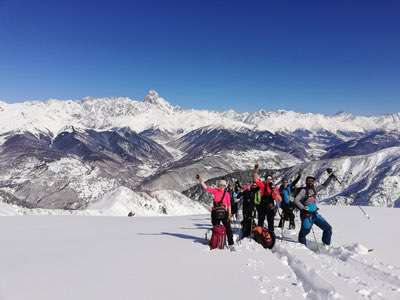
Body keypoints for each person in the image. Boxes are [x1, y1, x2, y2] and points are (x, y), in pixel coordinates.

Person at [294, 169, 335, 246]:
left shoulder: (314, 189)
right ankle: (302, 247)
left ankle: (325, 246)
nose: (310, 182)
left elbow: (324, 185)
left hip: (315, 214)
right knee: (304, 232)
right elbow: (296, 200)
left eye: (312, 181)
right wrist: (303, 208)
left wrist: (330, 177)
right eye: (309, 181)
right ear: (306, 182)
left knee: (328, 229)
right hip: (306, 215)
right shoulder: (303, 191)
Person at [196, 175, 235, 251]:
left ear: (225, 186)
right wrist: (200, 180)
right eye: (221, 185)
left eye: (223, 185)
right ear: (218, 185)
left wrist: (229, 214)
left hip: (217, 213)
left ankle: (230, 244)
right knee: (219, 229)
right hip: (221, 213)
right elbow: (206, 188)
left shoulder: (226, 194)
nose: (222, 187)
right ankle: (217, 242)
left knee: (227, 229)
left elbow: (229, 205)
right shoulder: (216, 191)